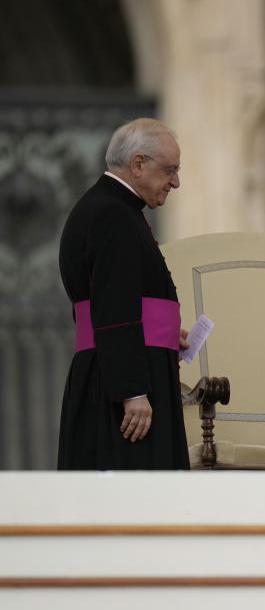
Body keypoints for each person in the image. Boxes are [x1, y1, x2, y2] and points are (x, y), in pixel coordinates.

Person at [58, 118, 190, 470]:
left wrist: (162, 333)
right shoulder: (111, 214)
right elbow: (113, 305)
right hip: (121, 391)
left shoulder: (112, 209)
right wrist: (132, 392)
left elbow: (117, 300)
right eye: (170, 170)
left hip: (120, 369)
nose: (175, 182)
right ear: (137, 164)